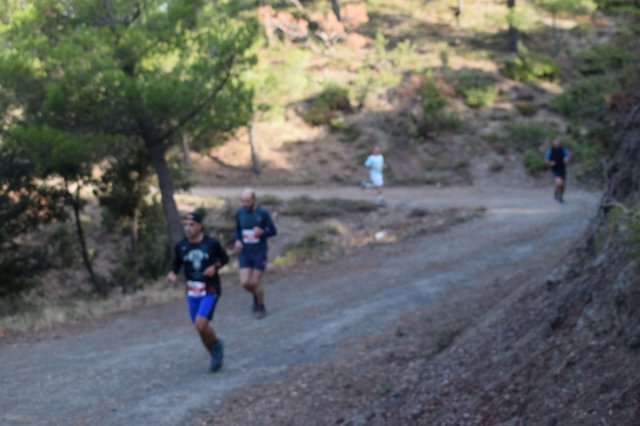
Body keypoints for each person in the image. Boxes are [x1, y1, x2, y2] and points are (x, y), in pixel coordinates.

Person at [167, 211, 229, 373]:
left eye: (192, 225)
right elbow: (177, 262)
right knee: (199, 327)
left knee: (201, 325)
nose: (188, 228)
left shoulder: (211, 244)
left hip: (210, 289)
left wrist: (214, 267)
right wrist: (173, 273)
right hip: (192, 291)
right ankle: (215, 355)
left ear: (200, 226)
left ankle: (217, 345)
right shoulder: (181, 246)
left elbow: (224, 259)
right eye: (186, 225)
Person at [233, 188, 277, 319]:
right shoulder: (239, 213)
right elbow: (238, 229)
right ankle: (257, 295)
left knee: (255, 281)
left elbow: (273, 231)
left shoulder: (262, 212)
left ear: (253, 200)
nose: (245, 204)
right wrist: (237, 240)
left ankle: (261, 306)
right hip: (245, 252)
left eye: (247, 201)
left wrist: (263, 232)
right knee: (245, 283)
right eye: (242, 201)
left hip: (259, 252)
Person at [545, 138, 572, 203]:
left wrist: (567, 159)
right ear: (553, 144)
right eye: (555, 143)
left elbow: (568, 156)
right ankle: (558, 195)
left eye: (558, 143)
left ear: (560, 144)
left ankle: (560, 196)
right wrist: (550, 163)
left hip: (562, 168)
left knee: (563, 184)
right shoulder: (550, 151)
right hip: (555, 169)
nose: (557, 144)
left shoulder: (563, 150)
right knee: (559, 182)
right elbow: (547, 160)